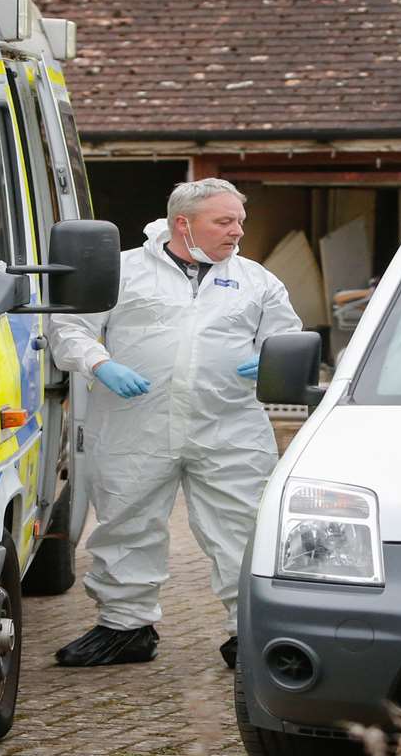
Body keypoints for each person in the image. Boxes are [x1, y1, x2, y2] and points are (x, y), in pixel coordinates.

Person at [49, 178, 302, 668]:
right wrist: (101, 365)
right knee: (125, 519)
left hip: (227, 424)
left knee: (242, 528)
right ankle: (125, 627)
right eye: (224, 221)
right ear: (182, 223)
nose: (237, 232)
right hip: (134, 422)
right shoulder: (121, 271)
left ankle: (247, 632)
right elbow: (70, 326)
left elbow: (286, 335)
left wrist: (272, 358)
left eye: (240, 222)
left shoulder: (257, 280)